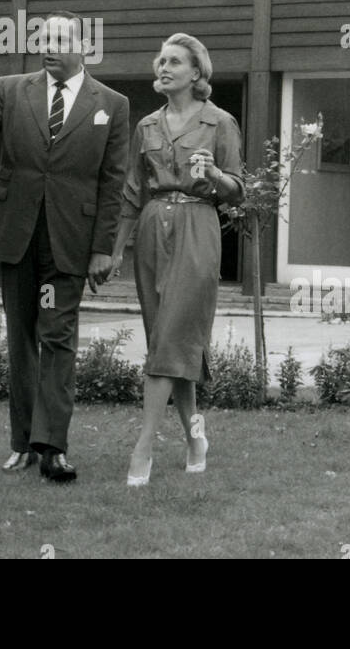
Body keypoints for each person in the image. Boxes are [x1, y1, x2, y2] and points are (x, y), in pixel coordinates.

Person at [0, 10, 129, 482]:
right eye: (42, 38)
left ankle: (52, 447)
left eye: (58, 38)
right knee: (21, 340)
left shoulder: (112, 105)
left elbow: (113, 184)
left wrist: (102, 248)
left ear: (83, 47)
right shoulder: (10, 90)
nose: (48, 46)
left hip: (70, 241)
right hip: (18, 235)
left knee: (58, 338)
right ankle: (22, 443)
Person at [110, 33, 244, 487]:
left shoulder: (219, 122)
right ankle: (195, 437)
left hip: (197, 227)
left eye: (174, 62)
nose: (162, 68)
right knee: (171, 343)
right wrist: (115, 252)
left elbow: (238, 191)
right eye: (160, 60)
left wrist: (216, 175)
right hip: (151, 229)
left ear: (196, 73)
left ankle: (143, 447)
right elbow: (132, 191)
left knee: (169, 341)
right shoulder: (147, 125)